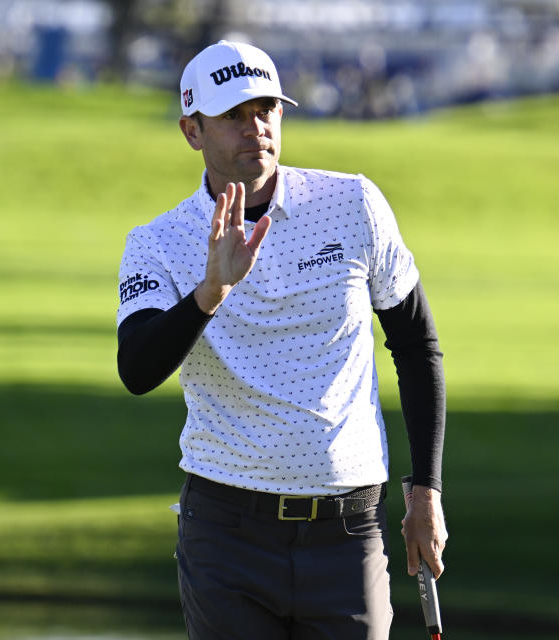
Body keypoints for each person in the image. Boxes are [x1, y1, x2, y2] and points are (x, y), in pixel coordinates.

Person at [116, 39, 447, 639]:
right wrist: (208, 293)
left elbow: (416, 344)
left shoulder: (352, 203)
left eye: (266, 109)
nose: (255, 128)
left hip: (348, 531)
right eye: (234, 116)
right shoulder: (157, 242)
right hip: (226, 532)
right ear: (192, 131)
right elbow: (137, 369)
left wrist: (426, 492)